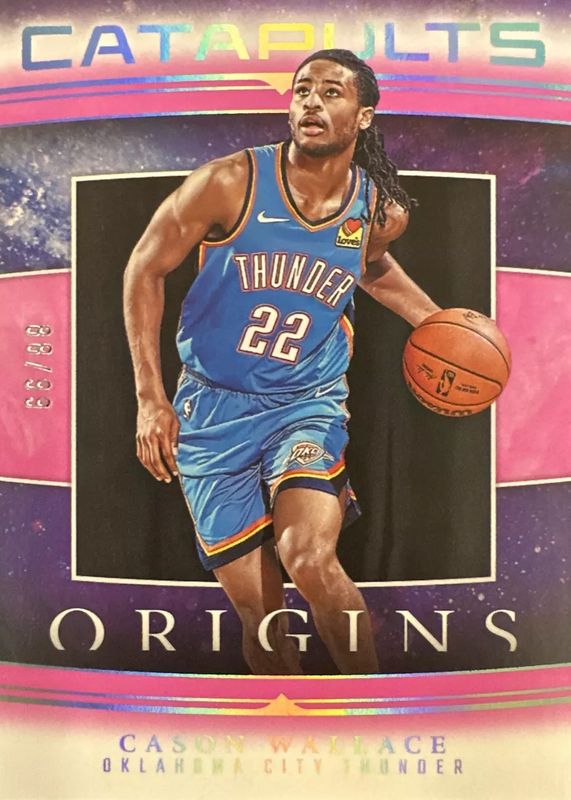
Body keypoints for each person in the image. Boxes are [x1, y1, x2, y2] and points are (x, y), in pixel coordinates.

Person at [123, 49, 439, 675]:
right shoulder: (228, 183)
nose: (312, 102)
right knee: (261, 616)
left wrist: (437, 322)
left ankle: (370, 709)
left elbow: (370, 264)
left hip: (305, 403)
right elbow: (143, 269)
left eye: (331, 92)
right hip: (211, 410)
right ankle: (290, 718)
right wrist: (150, 398)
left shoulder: (380, 210)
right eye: (302, 90)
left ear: (364, 115)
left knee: (309, 557)